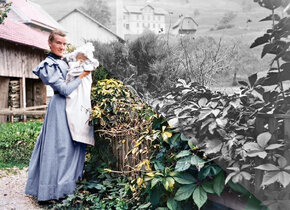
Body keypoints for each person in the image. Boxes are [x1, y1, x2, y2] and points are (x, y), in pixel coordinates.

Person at [25, 30, 91, 201]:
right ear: (50, 43)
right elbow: (64, 89)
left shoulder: (64, 61)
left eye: (64, 44)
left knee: (71, 147)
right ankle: (51, 191)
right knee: (59, 148)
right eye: (58, 43)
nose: (62, 47)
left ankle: (66, 189)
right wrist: (82, 76)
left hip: (71, 105)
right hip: (59, 106)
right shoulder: (48, 64)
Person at [64, 43, 99, 146]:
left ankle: (81, 135)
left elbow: (83, 71)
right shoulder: (74, 66)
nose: (80, 60)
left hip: (82, 91)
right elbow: (71, 75)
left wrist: (80, 66)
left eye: (83, 58)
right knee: (72, 110)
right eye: (78, 57)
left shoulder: (87, 68)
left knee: (82, 112)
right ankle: (73, 134)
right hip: (74, 92)